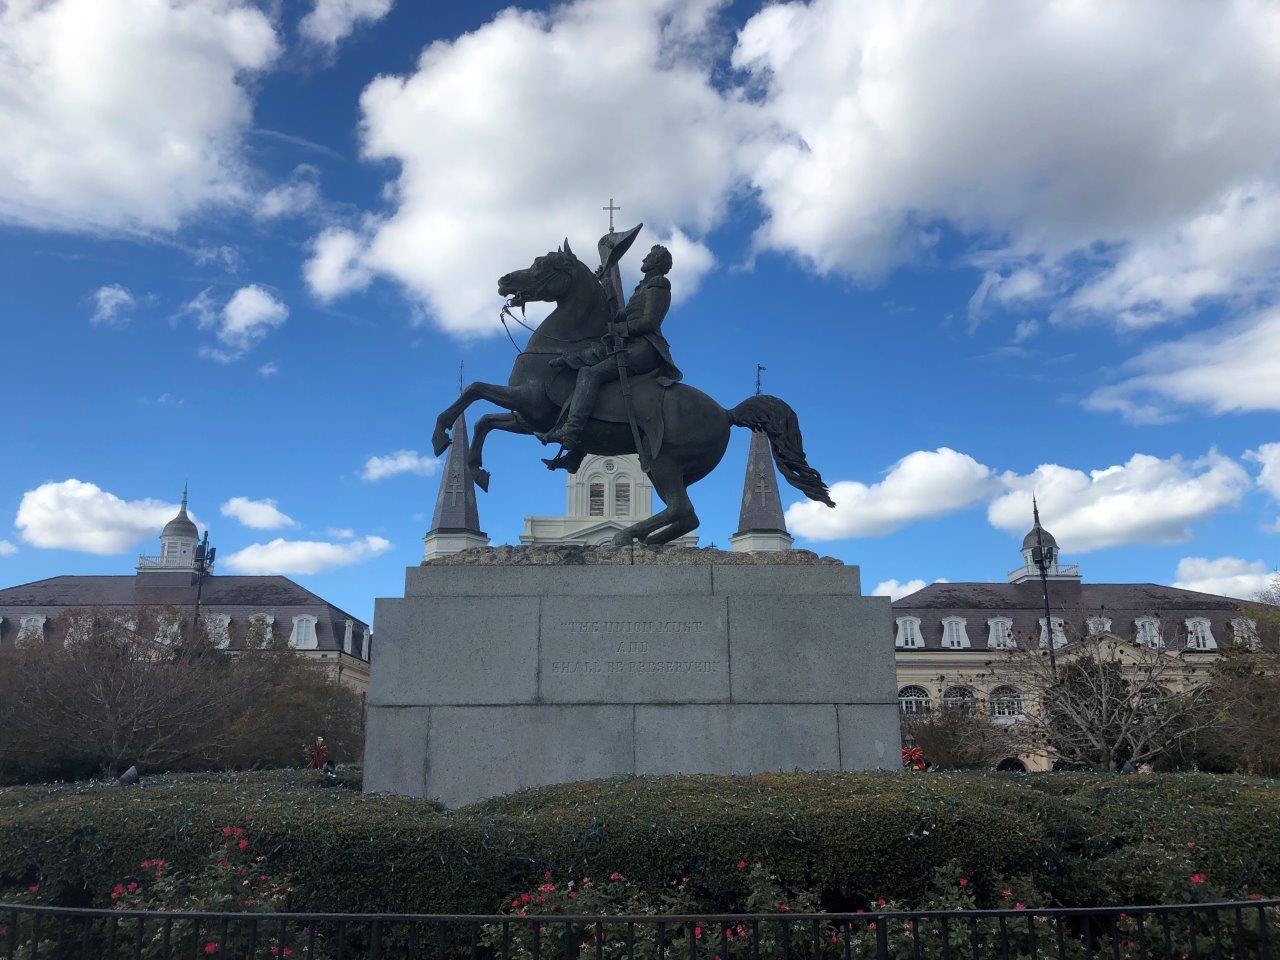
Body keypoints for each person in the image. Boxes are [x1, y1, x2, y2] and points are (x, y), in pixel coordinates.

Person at [542, 244, 681, 450]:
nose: (644, 260)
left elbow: (650, 322)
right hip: (628, 344)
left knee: (590, 375)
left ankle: (571, 431)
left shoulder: (658, 284)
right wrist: (607, 286)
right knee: (585, 358)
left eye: (649, 256)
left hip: (643, 348)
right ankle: (578, 452)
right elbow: (618, 314)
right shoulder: (642, 288)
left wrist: (618, 328)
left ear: (658, 262)